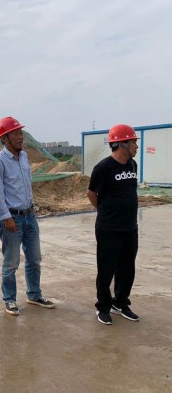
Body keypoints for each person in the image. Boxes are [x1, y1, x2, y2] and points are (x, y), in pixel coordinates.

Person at [0, 117, 55, 316]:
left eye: (20, 133)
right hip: (13, 219)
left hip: (29, 216)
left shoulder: (24, 156)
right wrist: (6, 217)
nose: (20, 137)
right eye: (15, 134)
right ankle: (9, 299)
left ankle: (34, 294)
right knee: (11, 263)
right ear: (4, 138)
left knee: (34, 259)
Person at [87, 124, 140, 326]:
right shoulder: (104, 167)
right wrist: (104, 211)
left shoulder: (132, 165)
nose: (136, 146)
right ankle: (103, 307)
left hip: (130, 227)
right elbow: (91, 193)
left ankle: (120, 303)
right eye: (133, 142)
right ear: (122, 144)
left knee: (127, 269)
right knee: (106, 270)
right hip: (108, 228)